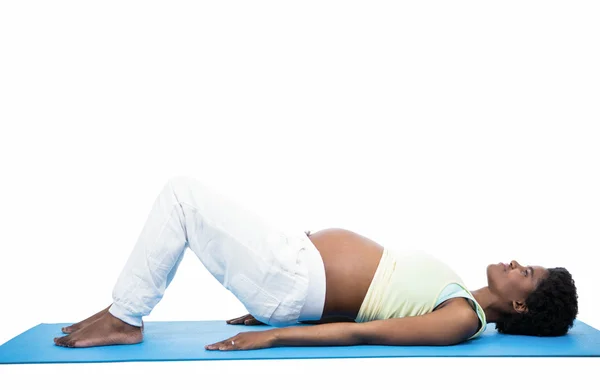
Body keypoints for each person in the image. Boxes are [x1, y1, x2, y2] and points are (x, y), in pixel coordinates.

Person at [53, 175, 579, 350]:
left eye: (526, 273)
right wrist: (279, 314)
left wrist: (275, 335)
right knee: (187, 202)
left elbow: (368, 334)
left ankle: (124, 317)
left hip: (292, 278)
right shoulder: (459, 292)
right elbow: (369, 307)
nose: (516, 263)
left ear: (518, 304)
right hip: (291, 275)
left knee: (182, 196)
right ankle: (123, 310)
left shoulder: (464, 318)